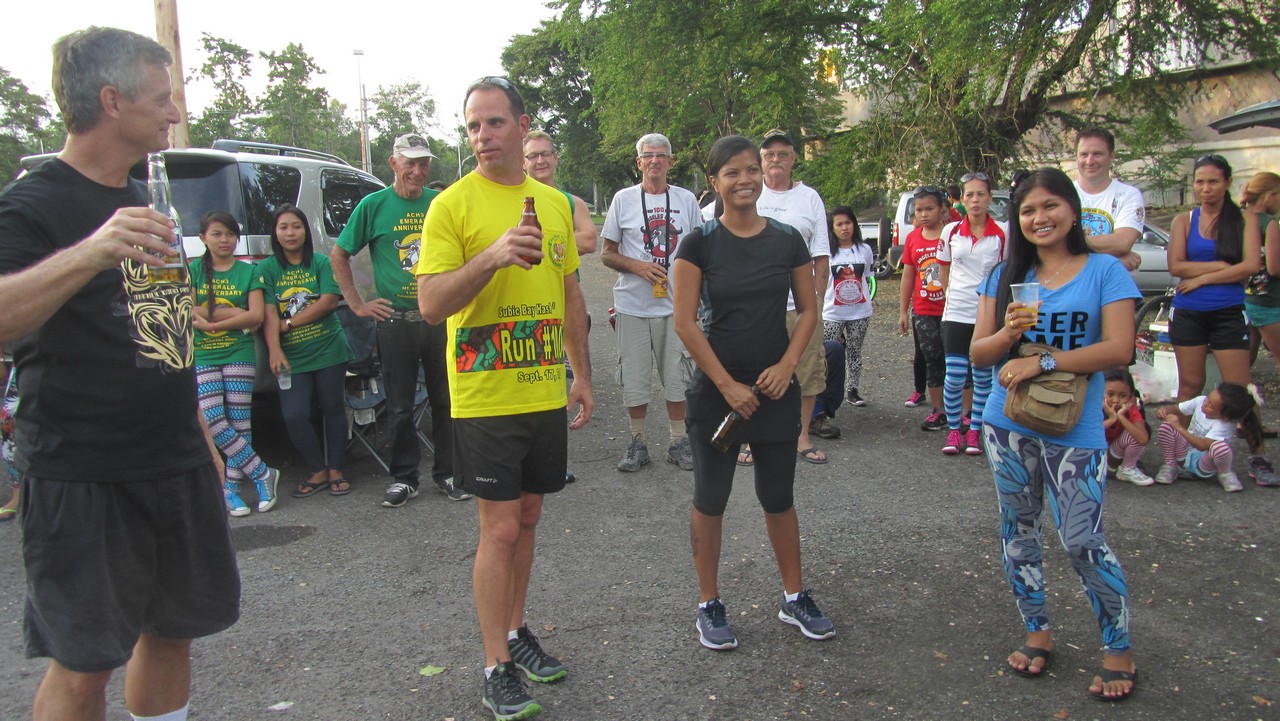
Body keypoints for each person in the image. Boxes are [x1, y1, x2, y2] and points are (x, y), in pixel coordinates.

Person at [0, 27, 239, 721]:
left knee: (172, 633)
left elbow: (162, 332)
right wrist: (90, 252)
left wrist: (198, 431)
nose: (174, 113)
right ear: (111, 101)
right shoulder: (31, 204)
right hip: (82, 471)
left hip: (173, 459)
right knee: (84, 665)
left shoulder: (148, 196)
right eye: (162, 99)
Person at [415, 76, 592, 721]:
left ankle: (516, 632)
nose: (482, 136)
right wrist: (490, 257)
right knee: (501, 527)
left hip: (542, 384)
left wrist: (582, 373)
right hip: (484, 389)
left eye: (493, 122)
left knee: (532, 515)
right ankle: (495, 666)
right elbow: (430, 304)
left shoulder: (554, 204)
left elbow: (570, 292)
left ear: (521, 125)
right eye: (472, 126)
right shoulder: (451, 206)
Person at [971, 167, 1141, 702]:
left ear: (1072, 210)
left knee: (1083, 538)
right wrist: (1009, 333)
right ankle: (1037, 630)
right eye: (1027, 210)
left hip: (1077, 427)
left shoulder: (1105, 271)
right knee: (1018, 530)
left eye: (1050, 206)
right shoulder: (1003, 276)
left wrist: (1043, 360)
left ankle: (1118, 648)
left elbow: (1120, 348)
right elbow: (978, 353)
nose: (1039, 218)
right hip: (1007, 424)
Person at [672, 134, 835, 653]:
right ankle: (709, 603)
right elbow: (684, 322)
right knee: (711, 498)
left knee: (778, 497)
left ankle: (794, 596)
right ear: (714, 181)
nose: (744, 180)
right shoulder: (698, 243)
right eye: (732, 172)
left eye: (751, 170)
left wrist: (787, 366)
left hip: (774, 387)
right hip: (717, 392)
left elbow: (808, 310)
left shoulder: (786, 240)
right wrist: (726, 385)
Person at [331, 132, 470, 507]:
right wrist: (358, 304)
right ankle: (404, 479)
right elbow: (339, 255)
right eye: (410, 163)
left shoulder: (439, 203)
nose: (418, 171)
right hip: (395, 321)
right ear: (393, 163)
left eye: (423, 164)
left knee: (447, 400)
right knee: (399, 405)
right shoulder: (374, 205)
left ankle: (448, 474)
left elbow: (463, 251)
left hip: (438, 318)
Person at [1166, 155, 1274, 484]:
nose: (1206, 188)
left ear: (1227, 182)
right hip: (1189, 311)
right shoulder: (1184, 220)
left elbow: (1250, 266)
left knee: (1240, 389)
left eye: (1213, 181)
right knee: (1189, 386)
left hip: (1228, 311)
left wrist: (1201, 278)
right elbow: (1176, 266)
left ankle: (1259, 458)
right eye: (1199, 182)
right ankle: (1177, 457)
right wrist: (1223, 267)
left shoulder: (1245, 219)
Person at [600, 132, 701, 472]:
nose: (654, 161)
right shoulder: (623, 200)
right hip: (633, 305)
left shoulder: (686, 200)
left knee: (678, 376)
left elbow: (700, 249)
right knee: (634, 377)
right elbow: (607, 254)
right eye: (648, 156)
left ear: (671, 162)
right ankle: (637, 441)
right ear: (639, 162)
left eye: (661, 155)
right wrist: (638, 267)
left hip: (677, 306)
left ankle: (677, 441)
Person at [256, 205, 354, 498]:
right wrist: (274, 349)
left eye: (296, 226)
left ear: (305, 231)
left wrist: (289, 323)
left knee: (333, 408)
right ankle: (317, 470)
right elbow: (268, 313)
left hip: (328, 349)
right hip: (291, 357)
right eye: (283, 227)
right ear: (275, 233)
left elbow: (328, 302)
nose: (290, 233)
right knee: (294, 414)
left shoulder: (321, 262)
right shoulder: (267, 269)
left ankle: (336, 470)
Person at [189, 211, 279, 515]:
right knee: (212, 418)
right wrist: (235, 314)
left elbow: (256, 316)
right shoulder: (193, 270)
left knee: (240, 422)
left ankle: (232, 490)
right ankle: (262, 473)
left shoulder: (249, 272)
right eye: (216, 234)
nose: (224, 240)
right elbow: (187, 309)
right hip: (203, 353)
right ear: (203, 238)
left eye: (229, 234)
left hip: (238, 352)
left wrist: (211, 320)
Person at [756, 129, 833, 464]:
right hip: (757, 304)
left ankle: (801, 436)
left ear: (793, 158)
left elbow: (821, 255)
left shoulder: (809, 197)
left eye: (783, 154)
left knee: (806, 369)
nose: (776, 160)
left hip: (800, 305)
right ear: (761, 160)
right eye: (769, 154)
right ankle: (754, 436)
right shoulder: (750, 191)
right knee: (757, 368)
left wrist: (816, 301)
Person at [938, 171, 1007, 456]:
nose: (975, 200)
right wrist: (950, 296)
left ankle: (976, 430)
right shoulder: (951, 231)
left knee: (982, 377)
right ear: (962, 200)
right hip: (956, 311)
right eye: (970, 195)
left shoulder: (1002, 232)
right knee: (954, 376)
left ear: (989, 197)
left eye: (980, 194)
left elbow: (1006, 272)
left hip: (987, 314)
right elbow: (943, 268)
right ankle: (954, 429)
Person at [899, 187, 950, 432]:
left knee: (956, 360)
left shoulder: (952, 234)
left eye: (929, 209)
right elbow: (908, 276)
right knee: (932, 358)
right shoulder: (913, 238)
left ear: (942, 210)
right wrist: (903, 310)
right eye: (919, 210)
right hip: (923, 310)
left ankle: (964, 411)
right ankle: (938, 410)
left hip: (951, 310)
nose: (924, 214)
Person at [1154, 382, 1262, 492]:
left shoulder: (1224, 425)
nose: (1205, 403)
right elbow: (1177, 408)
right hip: (1185, 454)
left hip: (1203, 464)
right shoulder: (1200, 401)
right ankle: (1171, 465)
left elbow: (1202, 446)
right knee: (1167, 426)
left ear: (1224, 416)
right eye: (1208, 398)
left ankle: (1225, 474)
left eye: (1211, 406)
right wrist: (1165, 410)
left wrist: (1179, 427)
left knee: (1220, 447)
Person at [823, 206, 874, 408]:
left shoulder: (865, 250)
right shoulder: (826, 252)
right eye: (839, 224)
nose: (845, 228)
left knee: (854, 351)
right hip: (832, 312)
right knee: (828, 351)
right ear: (832, 228)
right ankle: (826, 390)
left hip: (859, 311)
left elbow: (867, 277)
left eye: (848, 223)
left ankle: (852, 390)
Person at [1073, 128, 1144, 271]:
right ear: (1076, 157)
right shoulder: (1062, 193)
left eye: (1097, 154)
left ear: (1112, 156)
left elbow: (1122, 243)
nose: (1089, 161)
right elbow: (1050, 246)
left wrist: (1070, 243)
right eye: (1084, 154)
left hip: (1111, 283)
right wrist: (1114, 260)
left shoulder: (1128, 195)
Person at [524, 129, 598, 255]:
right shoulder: (515, 200)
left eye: (545, 154)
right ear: (523, 163)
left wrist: (532, 242)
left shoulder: (572, 203)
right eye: (533, 156)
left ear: (555, 157)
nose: (540, 161)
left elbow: (589, 242)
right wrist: (566, 237)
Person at [1242, 172, 1280, 371]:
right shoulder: (1268, 222)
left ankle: (1235, 389)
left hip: (1246, 298)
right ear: (1269, 196)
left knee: (1245, 359)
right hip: (1268, 301)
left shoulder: (1240, 218)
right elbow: (1274, 268)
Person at [1103, 368, 1154, 486]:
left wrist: (1121, 417)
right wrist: (1111, 419)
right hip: (1094, 455)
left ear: (1131, 396)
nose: (1116, 400)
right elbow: (1089, 433)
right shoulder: (1095, 408)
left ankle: (1127, 468)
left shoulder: (1129, 409)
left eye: (1123, 395)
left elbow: (1143, 438)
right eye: (1110, 394)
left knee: (1142, 429)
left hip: (1113, 455)